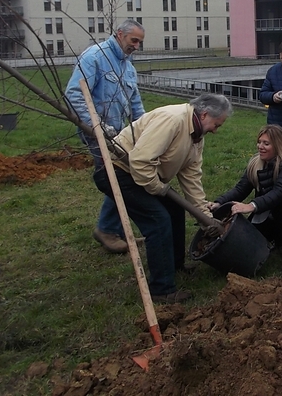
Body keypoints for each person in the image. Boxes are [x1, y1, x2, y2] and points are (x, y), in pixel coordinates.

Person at [93, 93, 233, 304]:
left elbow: (191, 178)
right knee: (158, 222)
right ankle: (161, 289)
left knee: (175, 210)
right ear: (205, 115)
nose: (216, 130)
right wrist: (158, 188)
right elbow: (139, 160)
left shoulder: (196, 136)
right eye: (217, 124)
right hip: (118, 171)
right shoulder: (173, 120)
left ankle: (175, 266)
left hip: (142, 174)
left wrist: (205, 217)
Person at [65, 20, 145, 255]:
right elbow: (75, 93)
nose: (137, 46)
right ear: (120, 34)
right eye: (134, 40)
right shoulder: (94, 57)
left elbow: (135, 103)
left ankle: (117, 231)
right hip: (97, 133)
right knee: (118, 178)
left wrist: (145, 130)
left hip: (119, 133)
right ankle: (107, 229)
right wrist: (96, 126)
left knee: (126, 174)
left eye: (140, 42)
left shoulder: (128, 67)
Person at [208, 124, 282, 274]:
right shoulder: (257, 163)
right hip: (275, 207)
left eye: (266, 143)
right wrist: (219, 203)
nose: (260, 147)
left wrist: (251, 206)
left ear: (277, 145)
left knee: (281, 205)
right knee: (252, 234)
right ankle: (279, 239)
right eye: (259, 142)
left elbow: (278, 194)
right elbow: (240, 189)